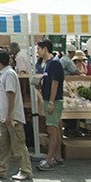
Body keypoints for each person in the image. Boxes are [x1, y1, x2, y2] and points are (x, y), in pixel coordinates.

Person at [0, 48, 32, 181]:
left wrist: (9, 115)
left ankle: (25, 171)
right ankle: (0, 170)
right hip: (5, 117)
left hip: (11, 117)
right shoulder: (4, 73)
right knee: (3, 145)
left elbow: (11, 94)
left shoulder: (9, 74)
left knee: (18, 144)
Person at [37, 39, 64, 171]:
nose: (37, 51)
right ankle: (57, 157)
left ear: (45, 49)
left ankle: (49, 160)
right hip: (51, 99)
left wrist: (51, 102)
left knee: (51, 130)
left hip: (54, 100)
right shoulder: (48, 63)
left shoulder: (54, 63)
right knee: (55, 129)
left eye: (39, 49)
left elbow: (55, 83)